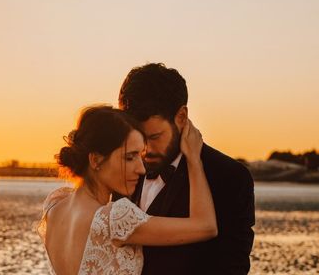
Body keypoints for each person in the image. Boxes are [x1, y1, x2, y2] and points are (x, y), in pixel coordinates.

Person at [38, 105, 217, 275]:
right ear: (96, 160)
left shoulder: (54, 206)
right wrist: (194, 159)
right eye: (129, 157)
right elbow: (206, 226)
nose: (141, 169)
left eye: (140, 156)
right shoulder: (114, 218)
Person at [118, 63, 255, 275]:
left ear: (181, 117)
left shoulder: (228, 177)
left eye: (154, 137)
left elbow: (231, 269)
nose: (145, 149)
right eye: (136, 137)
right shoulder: (117, 170)